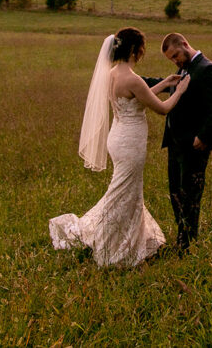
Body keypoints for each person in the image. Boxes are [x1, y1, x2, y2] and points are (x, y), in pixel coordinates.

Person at [49, 27, 190, 266]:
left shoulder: (113, 74)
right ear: (136, 50)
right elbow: (162, 108)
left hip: (117, 137)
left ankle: (131, 238)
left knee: (127, 189)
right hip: (130, 143)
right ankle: (108, 240)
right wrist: (180, 90)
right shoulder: (133, 79)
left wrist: (165, 82)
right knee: (123, 192)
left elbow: (135, 99)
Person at [149, 33, 212, 254]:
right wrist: (137, 81)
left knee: (190, 195)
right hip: (175, 144)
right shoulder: (183, 68)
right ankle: (182, 240)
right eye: (171, 59)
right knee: (175, 193)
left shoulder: (206, 69)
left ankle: (187, 246)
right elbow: (169, 87)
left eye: (175, 55)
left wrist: (204, 136)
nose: (175, 61)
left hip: (193, 146)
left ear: (185, 44)